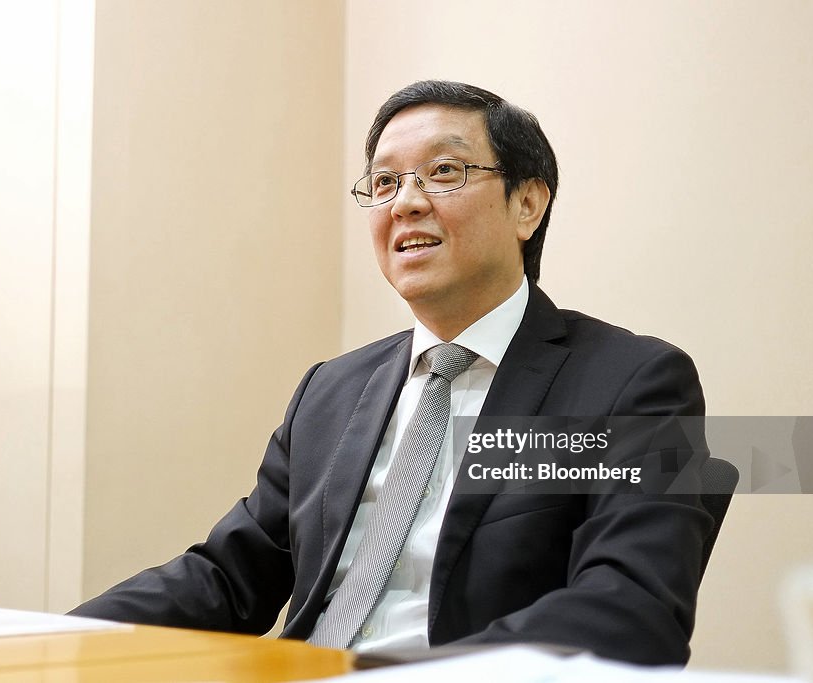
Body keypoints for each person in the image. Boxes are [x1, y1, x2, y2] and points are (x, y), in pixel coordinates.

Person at [70, 80, 712, 666]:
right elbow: (227, 577)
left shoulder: (636, 383)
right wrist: (47, 641)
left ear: (527, 205)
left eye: (443, 172)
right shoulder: (331, 391)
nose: (405, 203)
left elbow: (632, 607)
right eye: (384, 184)